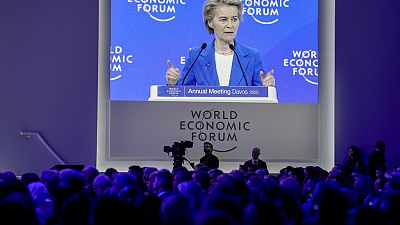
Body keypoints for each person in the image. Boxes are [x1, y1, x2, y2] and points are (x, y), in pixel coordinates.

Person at [166, 0, 275, 87]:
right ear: (210, 22)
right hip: (206, 114)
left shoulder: (252, 56)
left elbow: (261, 97)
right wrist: (173, 84)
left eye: (234, 19)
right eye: (223, 20)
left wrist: (267, 89)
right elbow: (182, 94)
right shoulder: (196, 55)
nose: (230, 25)